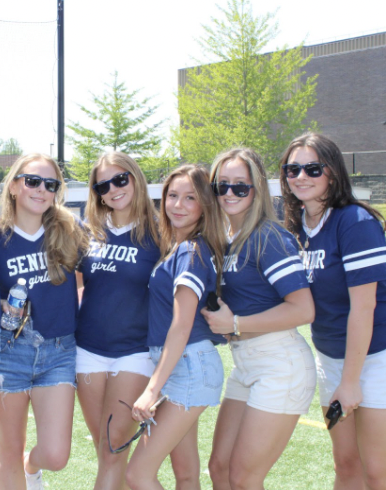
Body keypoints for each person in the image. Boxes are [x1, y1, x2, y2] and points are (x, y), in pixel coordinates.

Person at [279, 133, 386, 489]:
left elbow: (364, 308)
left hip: (377, 359)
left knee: (377, 470)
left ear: (333, 172)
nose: (301, 176)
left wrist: (349, 382)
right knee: (346, 465)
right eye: (292, 168)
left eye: (312, 168)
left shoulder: (354, 222)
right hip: (331, 358)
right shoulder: (298, 227)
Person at [201, 148, 316, 490]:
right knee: (220, 469)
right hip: (245, 364)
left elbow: (303, 309)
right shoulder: (227, 240)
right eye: (222, 186)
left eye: (241, 186)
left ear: (257, 190)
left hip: (279, 364)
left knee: (243, 477)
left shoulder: (269, 237)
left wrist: (235, 325)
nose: (230, 194)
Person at [124, 164, 227, 490]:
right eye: (172, 196)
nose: (178, 205)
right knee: (185, 474)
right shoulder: (181, 249)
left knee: (137, 475)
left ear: (205, 206)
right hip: (184, 366)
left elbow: (180, 327)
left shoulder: (191, 251)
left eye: (190, 198)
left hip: (188, 366)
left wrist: (152, 390)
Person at [0, 153, 88, 490]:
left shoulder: (70, 231)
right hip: (9, 351)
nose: (41, 189)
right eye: (33, 181)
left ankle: (31, 467)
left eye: (51, 184)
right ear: (15, 185)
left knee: (56, 454)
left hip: (59, 350)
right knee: (9, 448)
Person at [74, 151, 162, 489]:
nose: (113, 189)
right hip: (88, 350)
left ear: (135, 177)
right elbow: (75, 282)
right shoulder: (88, 231)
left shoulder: (159, 230)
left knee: (112, 451)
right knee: (108, 453)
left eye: (120, 179)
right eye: (103, 185)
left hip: (134, 351)